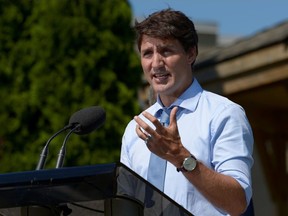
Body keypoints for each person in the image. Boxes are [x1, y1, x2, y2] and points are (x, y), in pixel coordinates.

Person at [120, 8, 254, 216]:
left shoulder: (224, 114)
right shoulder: (134, 129)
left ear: (191, 53)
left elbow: (237, 203)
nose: (156, 63)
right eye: (147, 53)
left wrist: (180, 157)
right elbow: (123, 204)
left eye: (166, 51)